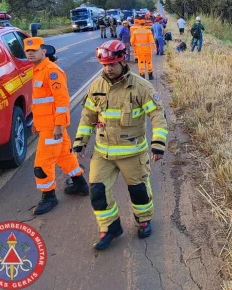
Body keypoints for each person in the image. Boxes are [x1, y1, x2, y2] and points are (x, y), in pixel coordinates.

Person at [72, 40, 168, 250]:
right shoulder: (96, 86)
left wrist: (158, 143)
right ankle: (110, 227)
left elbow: (158, 116)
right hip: (103, 152)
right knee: (97, 191)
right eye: (105, 65)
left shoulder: (141, 87)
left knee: (139, 191)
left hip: (132, 152)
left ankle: (143, 219)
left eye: (112, 64)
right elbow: (87, 117)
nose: (108, 69)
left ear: (122, 61)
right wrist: (80, 143)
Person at [23, 37, 89, 215]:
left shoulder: (51, 71)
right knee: (64, 156)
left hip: (53, 127)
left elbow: (61, 101)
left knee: (42, 163)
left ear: (43, 52)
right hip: (46, 125)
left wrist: (58, 125)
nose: (30, 53)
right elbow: (41, 102)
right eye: (27, 51)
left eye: (34, 50)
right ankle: (80, 184)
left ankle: (49, 196)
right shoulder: (37, 70)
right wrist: (36, 123)